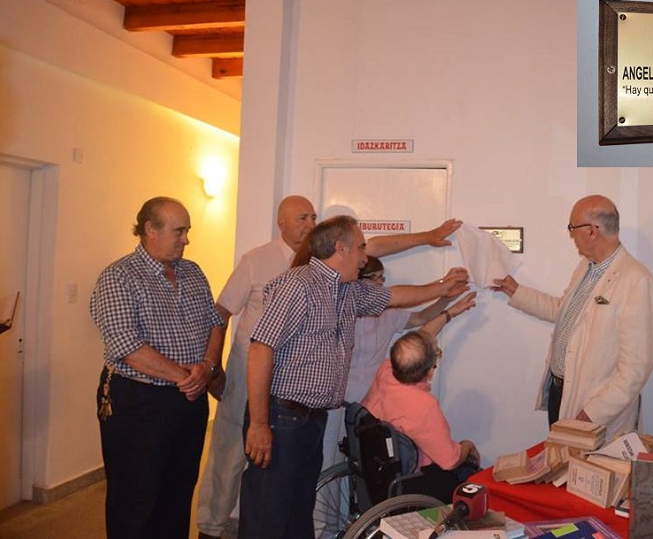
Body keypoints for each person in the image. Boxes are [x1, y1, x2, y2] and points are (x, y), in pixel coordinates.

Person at [197, 195, 462, 539]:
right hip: (281, 418)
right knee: (268, 514)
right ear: (341, 249)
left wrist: (443, 288)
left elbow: (394, 296)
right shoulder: (298, 285)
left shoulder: (346, 291)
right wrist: (259, 424)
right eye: (362, 249)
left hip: (311, 420)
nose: (367, 257)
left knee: (296, 510)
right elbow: (261, 350)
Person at [90, 196, 226, 539]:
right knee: (136, 499)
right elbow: (127, 346)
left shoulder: (193, 272)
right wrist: (187, 377)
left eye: (187, 231)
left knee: (178, 493)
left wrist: (208, 366)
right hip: (138, 403)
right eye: (179, 231)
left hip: (187, 400)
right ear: (149, 229)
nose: (186, 239)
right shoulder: (118, 277)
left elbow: (214, 322)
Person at [492, 195, 653, 436]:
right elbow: (563, 312)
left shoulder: (637, 281)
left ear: (593, 231)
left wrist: (594, 413)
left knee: (589, 471)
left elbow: (635, 369)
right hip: (561, 393)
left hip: (594, 408)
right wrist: (515, 290)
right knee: (563, 466)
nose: (571, 235)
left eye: (573, 228)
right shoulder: (586, 267)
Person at [321, 256, 477, 471]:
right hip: (343, 400)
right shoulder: (346, 313)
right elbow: (449, 461)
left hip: (372, 403)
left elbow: (420, 326)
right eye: (372, 278)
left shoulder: (387, 359)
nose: (379, 284)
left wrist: (447, 304)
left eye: (381, 278)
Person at [361, 330, 481, 503]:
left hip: (375, 469)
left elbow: (412, 346)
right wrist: (467, 446)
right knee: (469, 472)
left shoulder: (385, 371)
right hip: (407, 480)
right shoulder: (423, 406)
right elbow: (450, 461)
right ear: (429, 372)